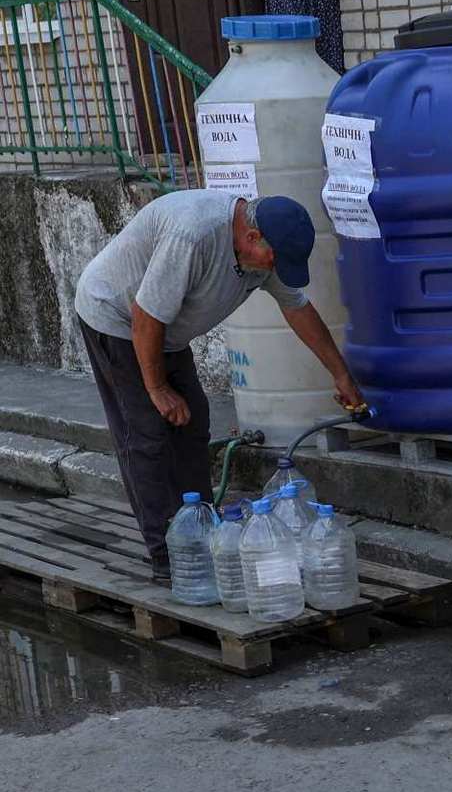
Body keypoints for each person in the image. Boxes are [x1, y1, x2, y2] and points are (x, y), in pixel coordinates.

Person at [73, 191, 364, 583]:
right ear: (251, 237)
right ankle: (167, 557)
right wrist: (157, 388)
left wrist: (341, 374)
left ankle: (201, 535)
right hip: (117, 317)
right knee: (146, 432)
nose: (274, 269)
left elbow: (298, 309)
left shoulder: (265, 251)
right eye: (274, 259)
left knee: (193, 423)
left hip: (165, 329)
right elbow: (145, 316)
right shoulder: (193, 235)